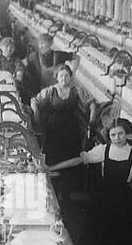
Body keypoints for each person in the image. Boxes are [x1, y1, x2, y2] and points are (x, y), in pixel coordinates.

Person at [31, 63, 92, 195]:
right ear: (56, 77)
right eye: (61, 76)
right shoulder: (50, 91)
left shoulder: (76, 90)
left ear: (70, 77)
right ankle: (52, 187)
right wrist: (36, 113)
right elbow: (34, 101)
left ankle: (69, 189)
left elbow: (91, 102)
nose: (63, 78)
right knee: (54, 156)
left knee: (71, 155)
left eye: (66, 76)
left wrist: (92, 118)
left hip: (71, 128)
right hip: (54, 128)